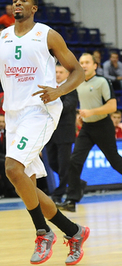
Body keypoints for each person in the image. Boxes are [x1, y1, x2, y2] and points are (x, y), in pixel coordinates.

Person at [0, 0, 89, 265]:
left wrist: (59, 91)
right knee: (25, 185)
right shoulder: (0, 38)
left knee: (12, 168)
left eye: (23, 0)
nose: (18, 3)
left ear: (34, 8)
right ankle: (74, 231)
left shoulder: (47, 35)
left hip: (40, 110)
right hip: (13, 114)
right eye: (14, 0)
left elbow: (78, 71)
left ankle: (42, 232)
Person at [59, 53, 122, 212]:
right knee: (74, 161)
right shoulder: (77, 82)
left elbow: (112, 106)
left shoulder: (102, 81)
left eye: (87, 62)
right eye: (81, 62)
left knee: (115, 161)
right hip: (87, 128)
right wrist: (81, 116)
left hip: (103, 126)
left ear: (95, 65)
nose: (84, 65)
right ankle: (71, 200)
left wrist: (91, 112)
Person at [45, 64, 78, 203]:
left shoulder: (70, 88)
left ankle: (58, 194)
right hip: (51, 132)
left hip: (65, 132)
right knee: (52, 162)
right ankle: (77, 183)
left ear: (67, 74)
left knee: (64, 165)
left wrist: (50, 107)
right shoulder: (50, 87)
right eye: (56, 72)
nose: (58, 74)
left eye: (60, 72)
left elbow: (68, 106)